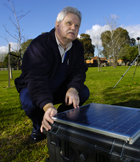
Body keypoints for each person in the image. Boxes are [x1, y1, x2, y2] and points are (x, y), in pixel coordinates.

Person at [15, 6, 90, 143]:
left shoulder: (77, 47)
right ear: (57, 25)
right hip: (38, 88)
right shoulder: (40, 45)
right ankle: (39, 127)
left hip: (60, 87)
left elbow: (79, 71)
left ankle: (60, 119)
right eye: (69, 23)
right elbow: (36, 79)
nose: (73, 27)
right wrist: (48, 106)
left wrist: (73, 89)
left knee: (83, 92)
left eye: (77, 25)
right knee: (28, 99)